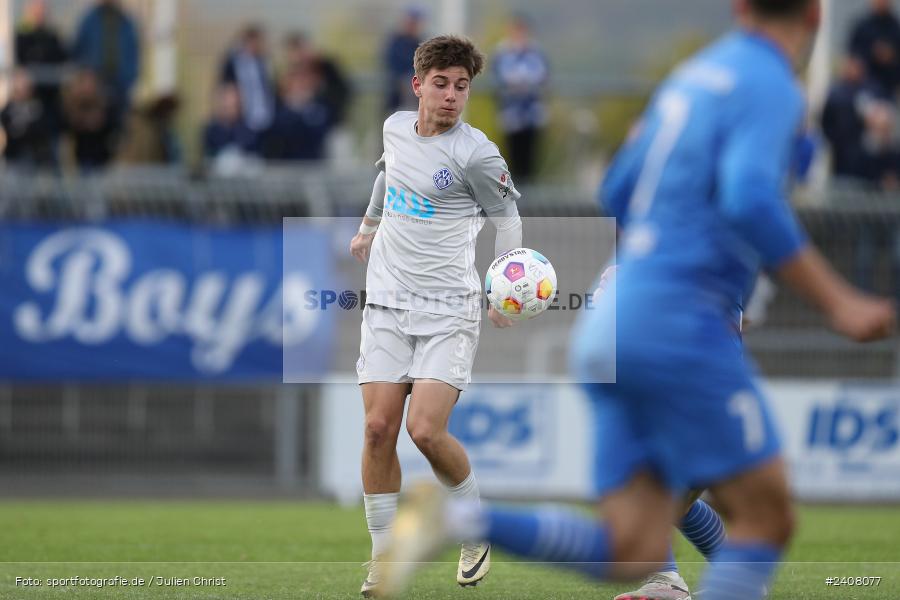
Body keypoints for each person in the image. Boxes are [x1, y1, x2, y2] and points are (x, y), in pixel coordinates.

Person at [377, 3, 897, 600]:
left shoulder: (692, 77)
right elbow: (752, 196)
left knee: (632, 543)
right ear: (813, 17)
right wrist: (838, 301)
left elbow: (618, 188)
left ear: (739, 9)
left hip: (615, 309)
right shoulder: (771, 83)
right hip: (683, 316)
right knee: (764, 514)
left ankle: (465, 519)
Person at [347, 34, 523, 597]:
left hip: (448, 310)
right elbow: (387, 177)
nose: (451, 96)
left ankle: (474, 528)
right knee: (378, 429)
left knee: (424, 430)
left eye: (462, 86)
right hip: (386, 303)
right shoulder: (395, 128)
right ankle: (384, 558)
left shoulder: (477, 153)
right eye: (441, 84)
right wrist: (369, 227)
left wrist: (501, 291)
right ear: (418, 85)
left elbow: (509, 221)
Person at [492, 14, 549, 183]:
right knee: (511, 157)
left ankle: (529, 197)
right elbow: (501, 78)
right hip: (511, 114)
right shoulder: (502, 53)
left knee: (530, 157)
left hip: (531, 114)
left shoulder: (535, 53)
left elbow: (542, 76)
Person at [71, 0, 140, 122]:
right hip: (93, 91)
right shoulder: (89, 21)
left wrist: (127, 82)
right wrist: (87, 77)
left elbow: (133, 57)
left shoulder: (126, 22)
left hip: (120, 90)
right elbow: (77, 53)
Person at [220, 25, 276, 135]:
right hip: (242, 117)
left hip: (266, 117)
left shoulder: (265, 63)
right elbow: (226, 87)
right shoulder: (233, 62)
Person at [848, 0, 900, 98]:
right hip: (860, 85)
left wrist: (891, 58)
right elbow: (851, 59)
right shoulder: (862, 27)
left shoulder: (896, 30)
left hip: (887, 88)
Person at [383, 6, 425, 114]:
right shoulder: (395, 42)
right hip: (397, 97)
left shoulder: (421, 43)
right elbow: (392, 65)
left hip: (415, 98)